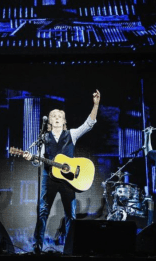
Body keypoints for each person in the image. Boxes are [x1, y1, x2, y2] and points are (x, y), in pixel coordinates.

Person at [23, 90, 101, 254]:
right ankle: (37, 247)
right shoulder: (44, 138)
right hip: (48, 178)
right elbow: (38, 160)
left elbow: (89, 124)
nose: (57, 118)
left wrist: (95, 105)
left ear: (64, 120)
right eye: (53, 116)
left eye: (60, 116)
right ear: (49, 121)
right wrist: (32, 158)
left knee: (70, 215)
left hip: (68, 180)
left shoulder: (71, 134)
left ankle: (71, 247)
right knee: (43, 211)